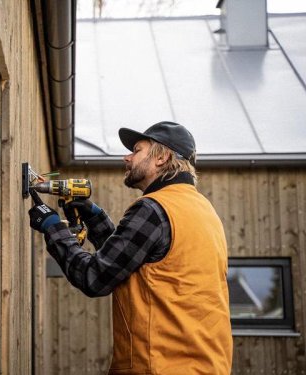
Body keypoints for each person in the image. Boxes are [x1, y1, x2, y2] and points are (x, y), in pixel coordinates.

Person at [29, 121, 233, 375]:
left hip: (157, 367)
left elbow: (95, 277)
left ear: (162, 158)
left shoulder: (153, 208)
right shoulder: (203, 210)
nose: (126, 157)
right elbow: (134, 264)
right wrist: (94, 217)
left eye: (136, 150)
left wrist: (53, 228)